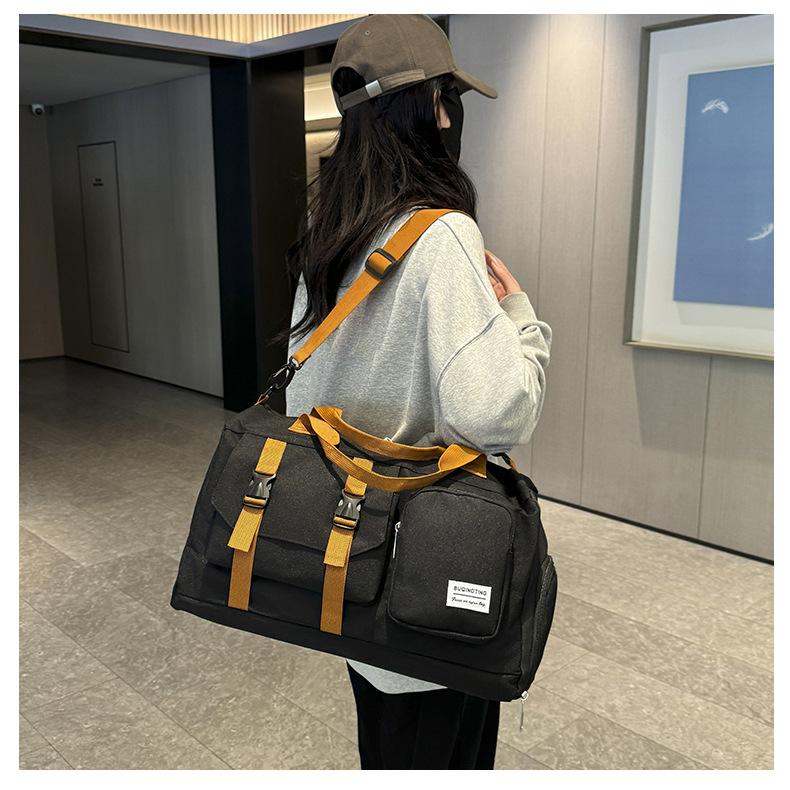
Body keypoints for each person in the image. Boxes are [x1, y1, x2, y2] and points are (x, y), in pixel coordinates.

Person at [280, 14, 553, 770]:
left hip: (352, 564)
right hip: (431, 581)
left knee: (389, 746)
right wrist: (522, 320)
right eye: (449, 98)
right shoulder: (441, 234)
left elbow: (303, 396)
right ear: (432, 106)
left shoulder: (331, 228)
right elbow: (496, 413)